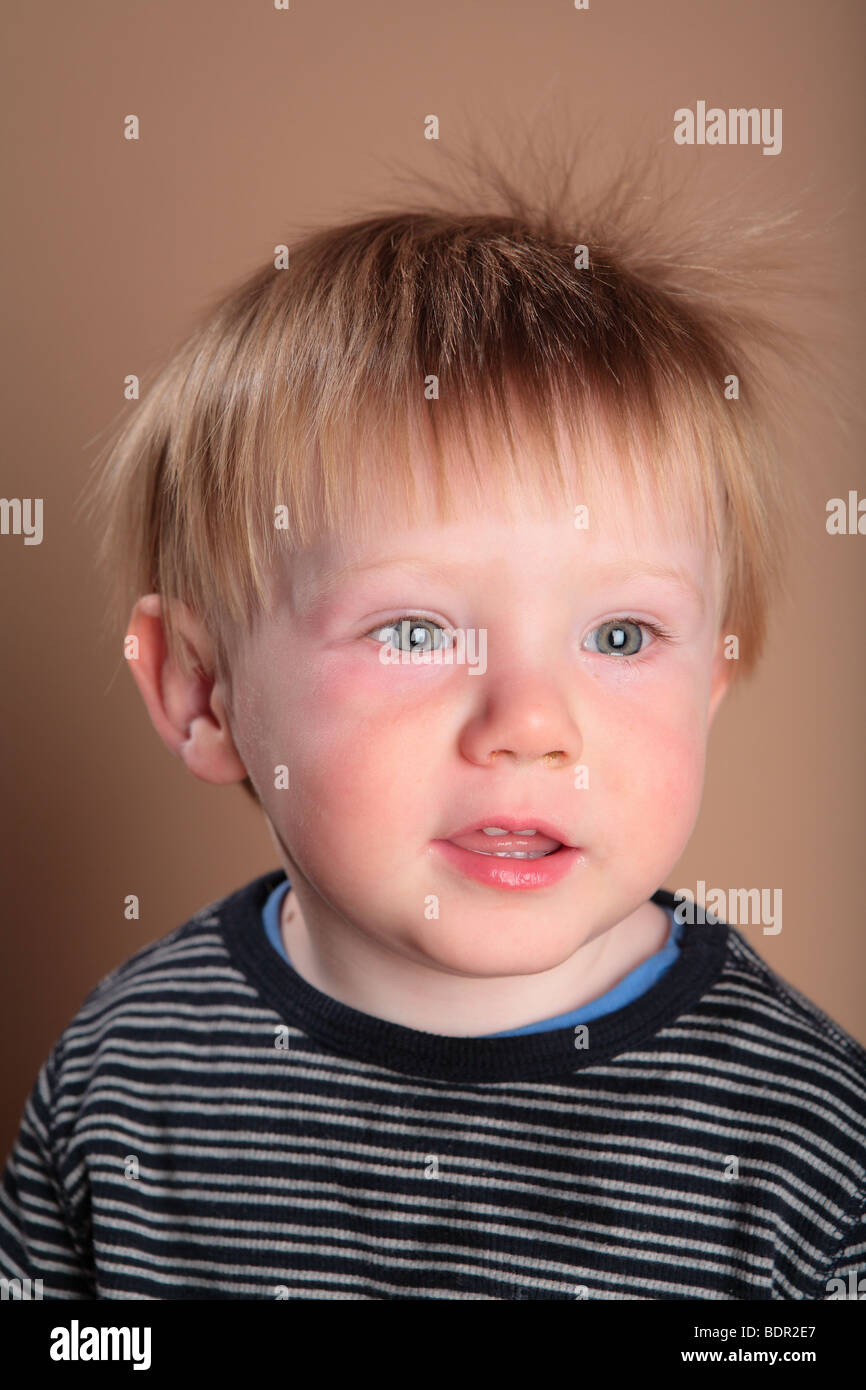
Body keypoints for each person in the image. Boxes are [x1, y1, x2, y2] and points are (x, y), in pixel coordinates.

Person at [2, 145, 864, 1300]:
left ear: (710, 680)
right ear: (202, 692)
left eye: (618, 637)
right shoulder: (128, 1074)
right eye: (413, 631)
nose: (530, 725)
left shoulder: (800, 1142)